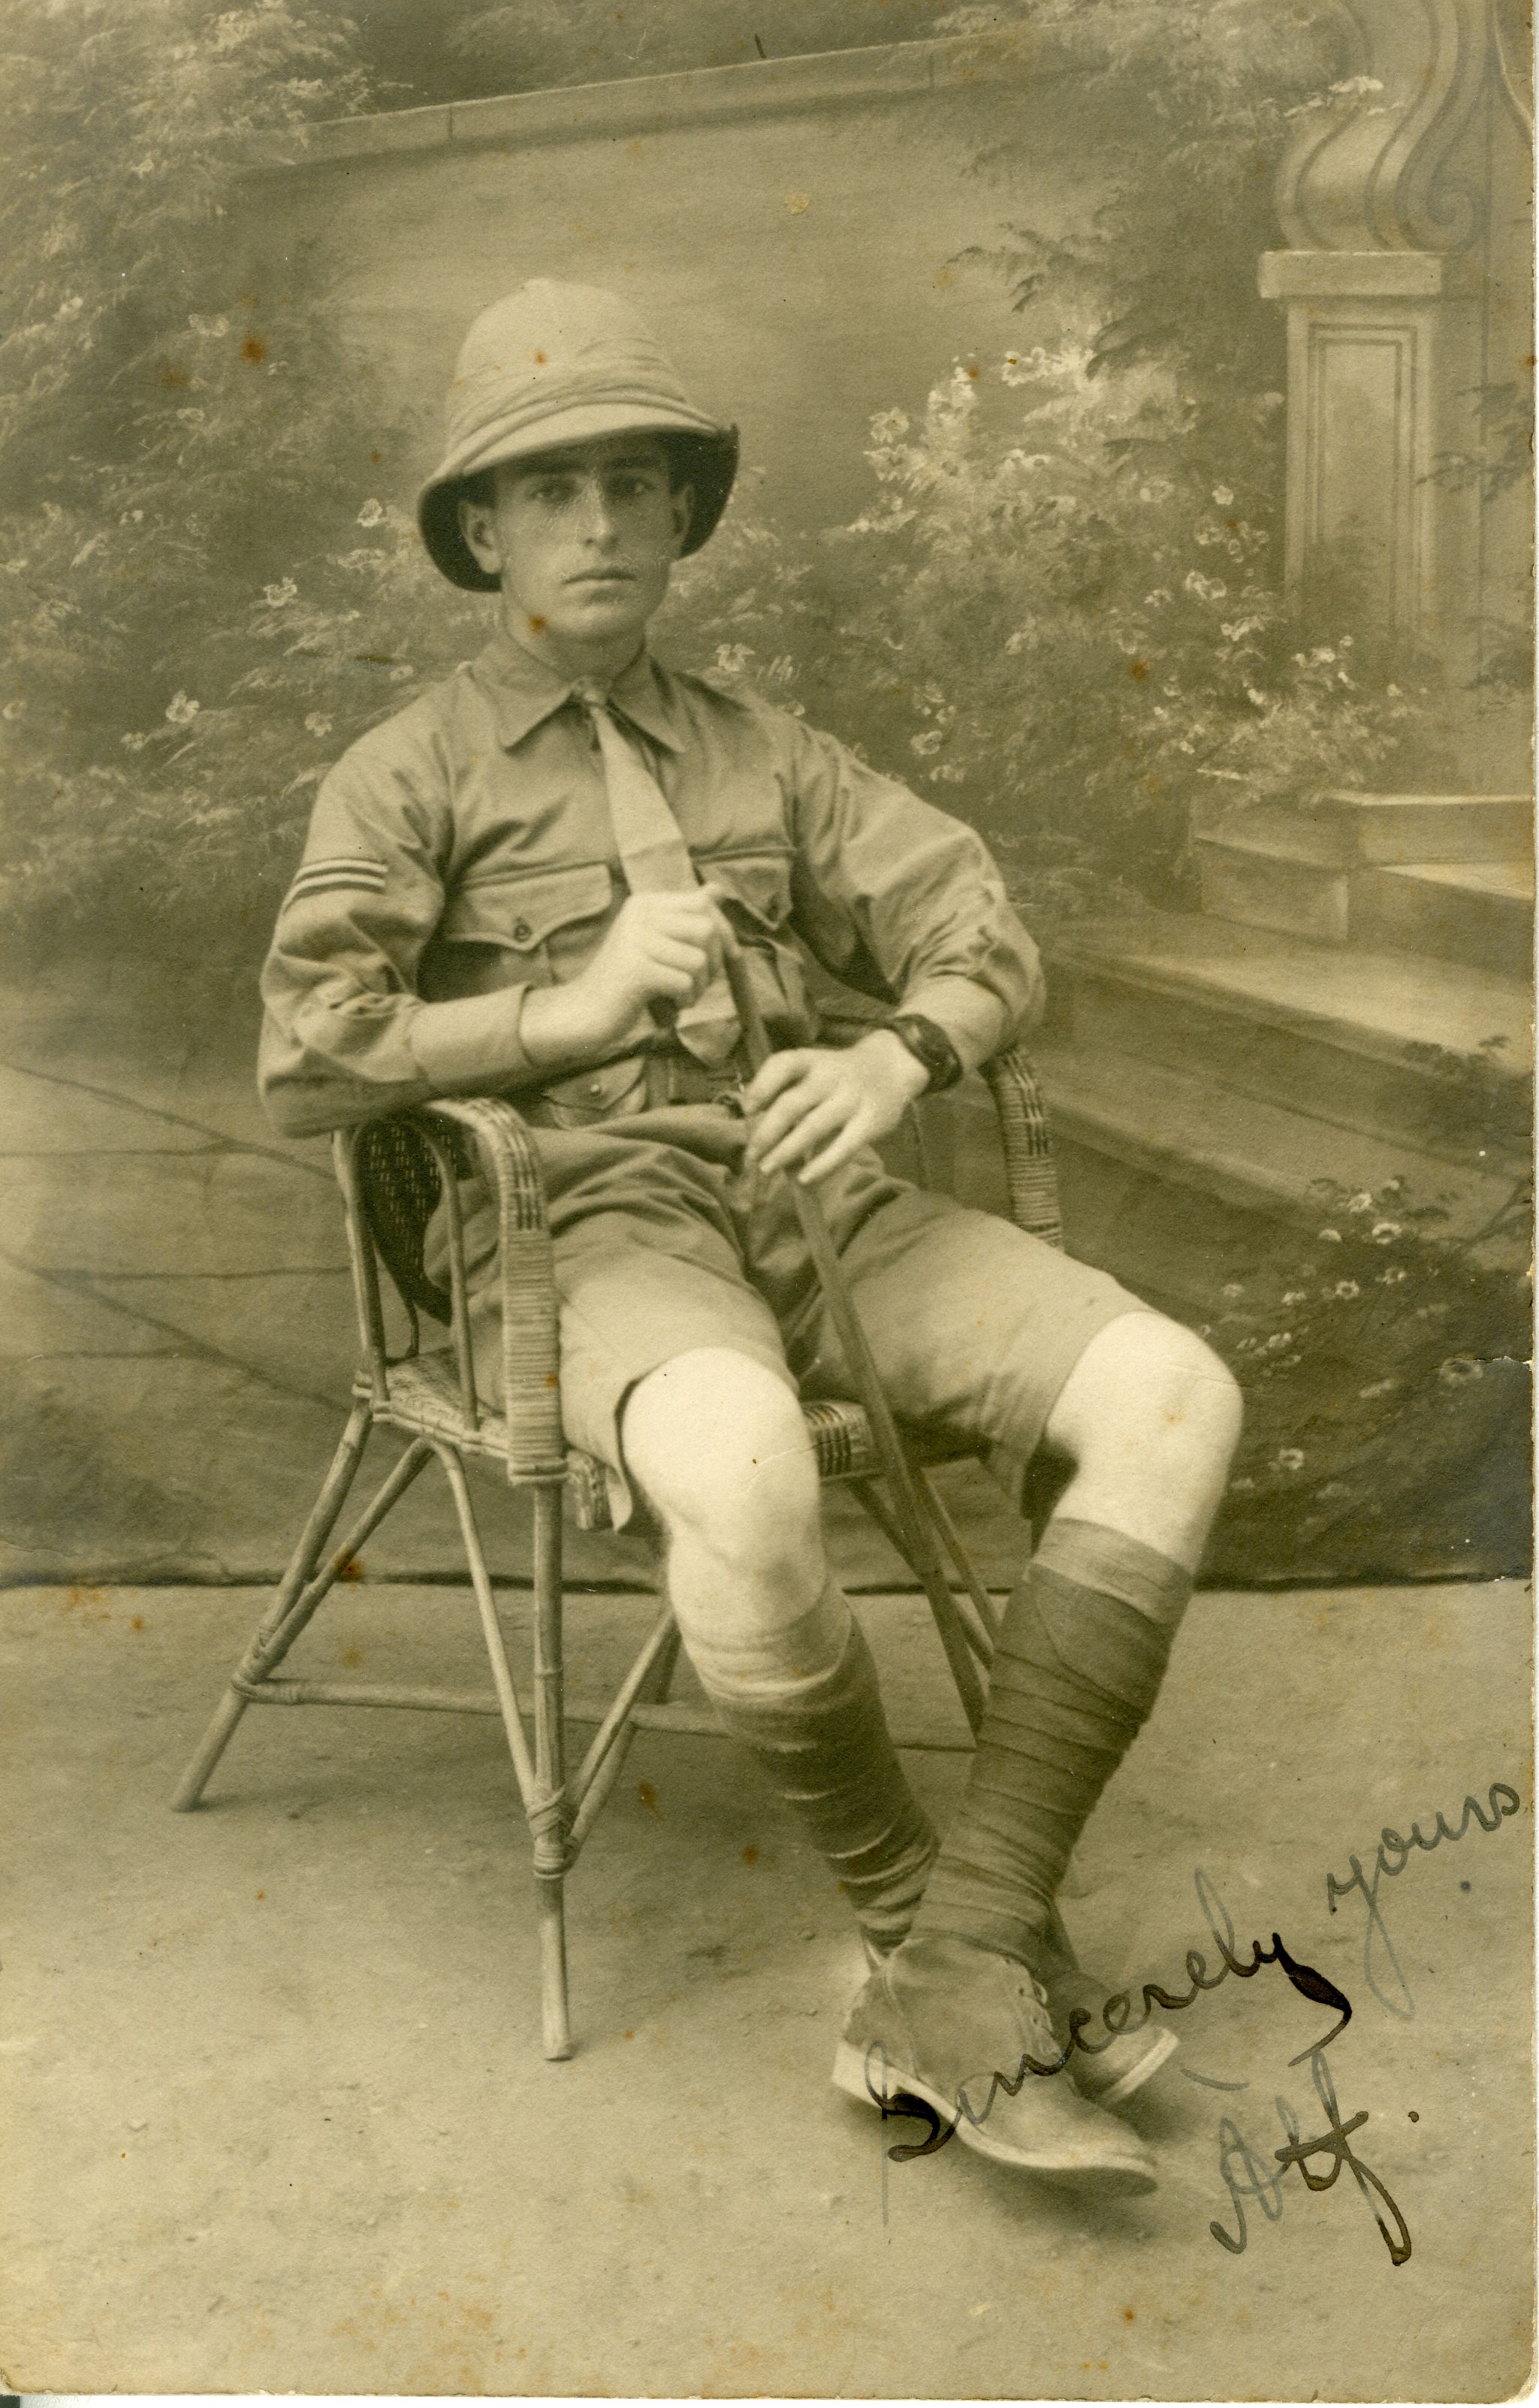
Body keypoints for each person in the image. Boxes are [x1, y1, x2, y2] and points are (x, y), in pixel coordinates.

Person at [259, 280, 1243, 2193]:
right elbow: (308, 1053)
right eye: (552, 492)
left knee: (1171, 1395)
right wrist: (553, 1016)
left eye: (639, 482)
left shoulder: (763, 753)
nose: (604, 525)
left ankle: (951, 1953)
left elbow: (977, 922)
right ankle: (923, 1927)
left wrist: (897, 1056)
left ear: (683, 515)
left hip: (821, 1203)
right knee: (739, 1460)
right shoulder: (412, 770)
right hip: (576, 1224)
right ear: (481, 532)